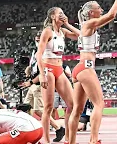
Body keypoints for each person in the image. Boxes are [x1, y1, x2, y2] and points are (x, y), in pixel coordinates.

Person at [68, 0, 117, 144]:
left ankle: (70, 141)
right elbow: (112, 15)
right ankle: (94, 140)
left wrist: (66, 26)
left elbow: (76, 33)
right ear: (91, 12)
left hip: (78, 69)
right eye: (99, 8)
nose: (101, 9)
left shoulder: (85, 26)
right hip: (86, 67)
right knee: (99, 104)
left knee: (77, 110)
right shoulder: (90, 23)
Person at [36, 8, 80, 144]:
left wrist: (67, 24)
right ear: (52, 16)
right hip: (48, 70)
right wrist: (42, 75)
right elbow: (39, 54)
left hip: (59, 69)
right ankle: (47, 141)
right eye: (59, 13)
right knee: (48, 107)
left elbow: (80, 35)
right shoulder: (47, 31)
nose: (62, 15)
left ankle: (68, 138)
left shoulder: (62, 32)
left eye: (63, 13)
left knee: (73, 105)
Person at [21, 30, 65, 142]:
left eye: (38, 39)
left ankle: (58, 128)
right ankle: (28, 129)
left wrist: (30, 82)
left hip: (38, 84)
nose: (36, 41)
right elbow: (34, 69)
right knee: (25, 107)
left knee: (39, 110)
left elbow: (42, 73)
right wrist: (28, 71)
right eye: (35, 39)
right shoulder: (35, 52)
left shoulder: (44, 53)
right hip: (33, 84)